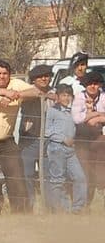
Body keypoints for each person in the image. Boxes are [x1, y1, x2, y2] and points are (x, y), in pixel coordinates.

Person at [0, 60, 41, 213]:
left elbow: (36, 92)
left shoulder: (16, 84)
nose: (2, 77)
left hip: (7, 140)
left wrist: (15, 95)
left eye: (5, 74)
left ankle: (20, 212)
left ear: (9, 75)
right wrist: (4, 93)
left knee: (16, 175)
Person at [44, 84, 86, 213]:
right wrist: (63, 138)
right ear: (57, 97)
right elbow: (46, 131)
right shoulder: (52, 111)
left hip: (70, 150)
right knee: (57, 180)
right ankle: (60, 209)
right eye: (63, 95)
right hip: (57, 148)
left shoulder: (71, 111)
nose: (66, 98)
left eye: (68, 95)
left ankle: (77, 208)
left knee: (80, 177)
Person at [19, 64, 55, 205]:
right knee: (27, 174)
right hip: (29, 138)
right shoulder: (27, 91)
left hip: (48, 139)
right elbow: (21, 96)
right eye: (40, 77)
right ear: (33, 79)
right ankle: (30, 205)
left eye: (47, 76)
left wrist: (48, 95)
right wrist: (40, 94)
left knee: (47, 174)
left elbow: (61, 98)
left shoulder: (54, 92)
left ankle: (49, 206)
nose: (44, 79)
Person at [71, 70, 105, 207]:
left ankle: (100, 200)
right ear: (85, 85)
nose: (92, 86)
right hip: (82, 139)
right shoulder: (78, 97)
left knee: (101, 170)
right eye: (89, 83)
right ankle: (84, 204)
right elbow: (77, 119)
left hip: (99, 138)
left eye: (95, 84)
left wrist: (92, 116)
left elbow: (85, 118)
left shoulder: (103, 97)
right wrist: (97, 114)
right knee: (84, 171)